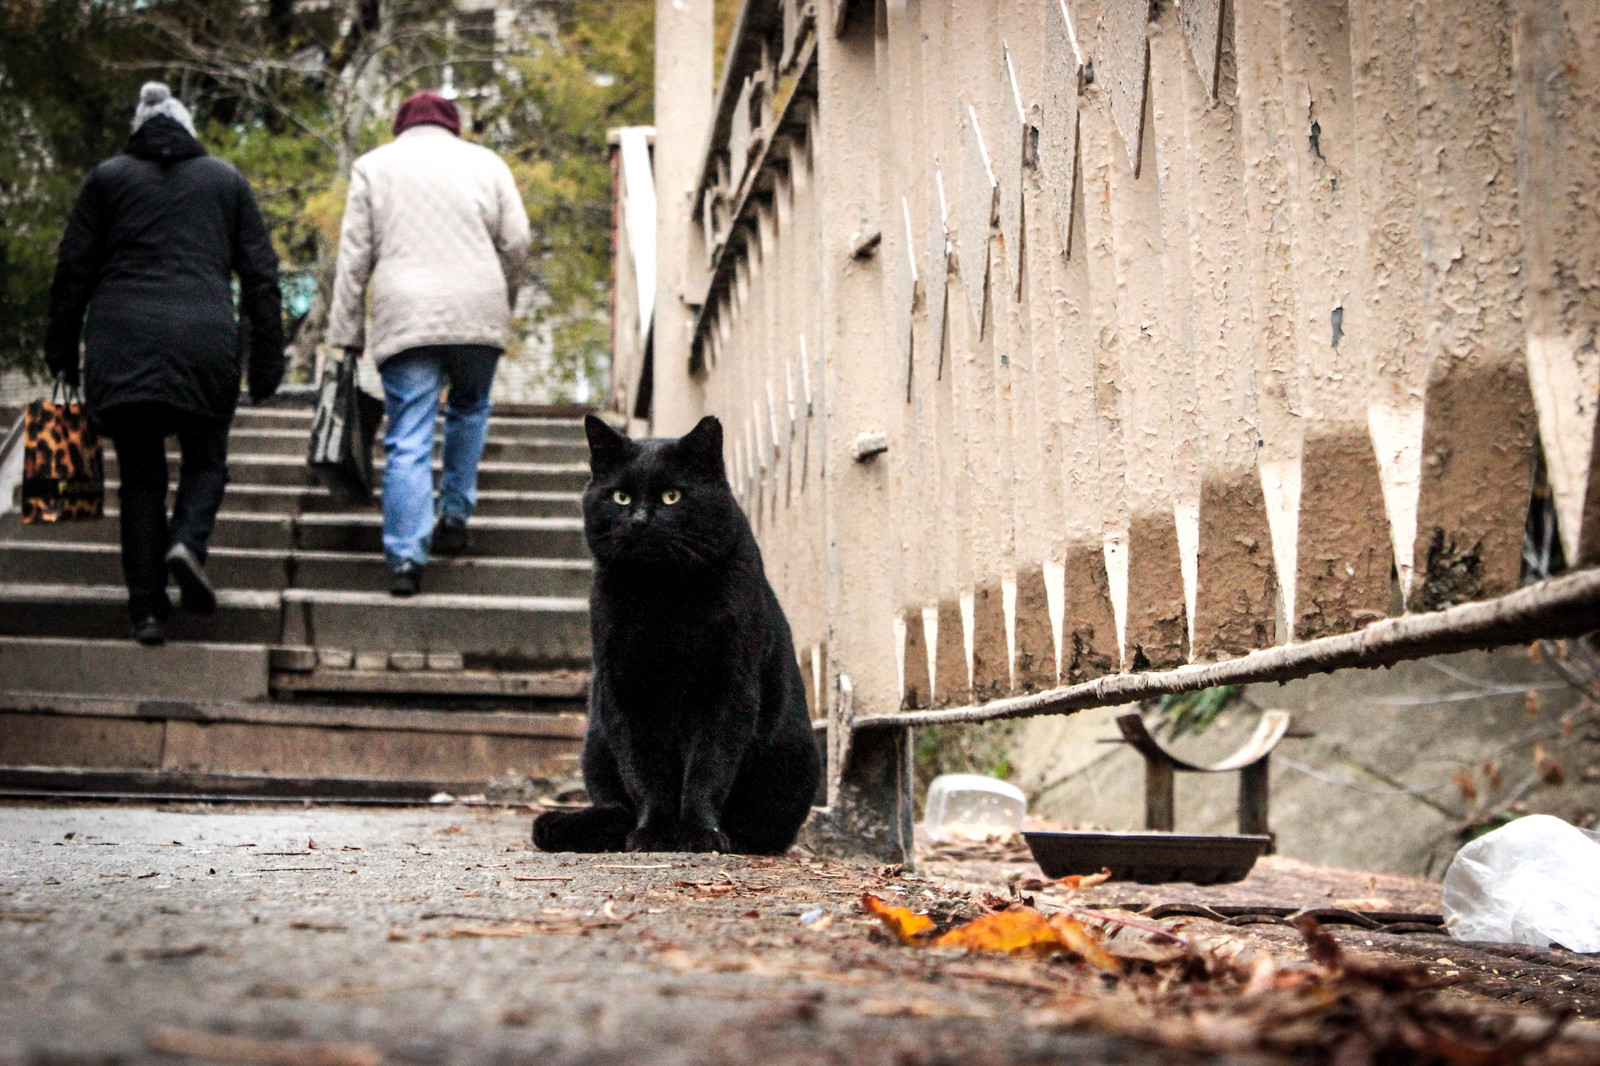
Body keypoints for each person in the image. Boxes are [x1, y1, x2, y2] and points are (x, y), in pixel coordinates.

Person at [45, 82, 284, 646]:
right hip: (203, 339)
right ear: (188, 128)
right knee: (206, 460)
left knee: (141, 481)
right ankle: (188, 542)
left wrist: (61, 353)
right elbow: (262, 277)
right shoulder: (227, 182)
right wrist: (266, 359)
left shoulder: (105, 180)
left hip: (121, 340)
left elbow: (72, 272)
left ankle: (147, 610)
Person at [326, 91, 530, 597]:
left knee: (409, 434)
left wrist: (346, 333)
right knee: (469, 407)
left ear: (400, 125)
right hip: (478, 308)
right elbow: (518, 240)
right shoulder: (487, 163)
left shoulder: (373, 167)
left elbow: (353, 259)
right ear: (453, 125)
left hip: (407, 312)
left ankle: (405, 559)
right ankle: (455, 515)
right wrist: (503, 297)